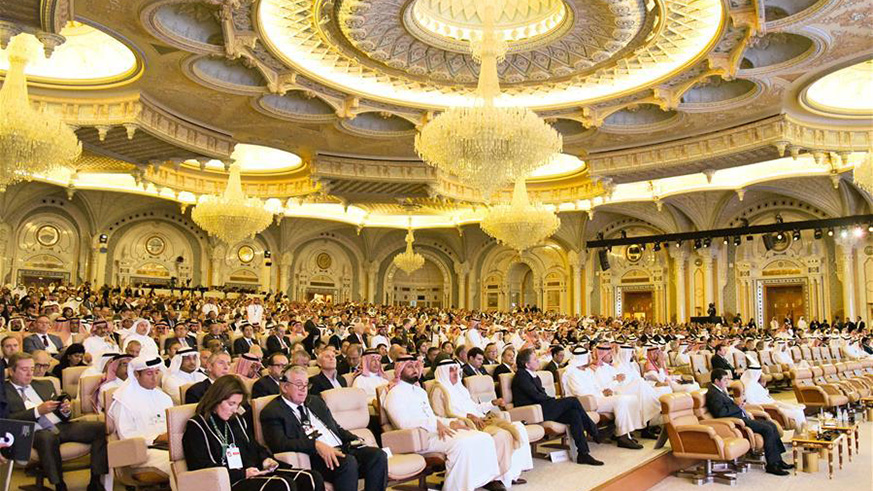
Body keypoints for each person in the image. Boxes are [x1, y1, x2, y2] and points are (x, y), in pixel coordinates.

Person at [183, 375, 324, 491]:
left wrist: (265, 459)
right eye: (231, 404)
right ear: (216, 399)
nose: (235, 410)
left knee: (310, 478)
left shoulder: (236, 420)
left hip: (250, 472)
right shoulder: (197, 425)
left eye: (238, 405)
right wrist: (242, 473)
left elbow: (254, 447)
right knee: (283, 485)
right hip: (228, 481)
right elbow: (201, 467)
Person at [383, 356, 505, 491]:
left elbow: (432, 417)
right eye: (409, 367)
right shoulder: (394, 393)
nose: (415, 370)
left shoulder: (419, 391)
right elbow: (403, 424)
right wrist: (435, 424)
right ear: (399, 370)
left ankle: (478, 482)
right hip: (418, 439)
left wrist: (451, 423)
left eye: (416, 366)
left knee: (482, 437)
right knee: (462, 444)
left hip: (434, 432)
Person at [260, 365, 388, 491]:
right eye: (299, 385)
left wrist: (355, 439)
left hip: (342, 448)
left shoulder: (315, 402)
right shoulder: (273, 411)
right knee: (348, 462)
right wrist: (315, 445)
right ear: (284, 387)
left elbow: (335, 428)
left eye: (306, 385)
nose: (304, 389)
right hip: (316, 456)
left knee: (377, 455)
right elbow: (280, 444)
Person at [5, 352, 108, 491]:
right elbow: (7, 419)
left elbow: (62, 413)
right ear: (11, 371)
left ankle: (95, 481)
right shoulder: (3, 391)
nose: (30, 374)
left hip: (58, 425)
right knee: (47, 437)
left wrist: (65, 411)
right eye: (24, 369)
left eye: (32, 369)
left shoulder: (45, 384)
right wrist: (37, 411)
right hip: (30, 430)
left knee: (100, 428)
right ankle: (59, 485)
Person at [433, 359, 532, 486]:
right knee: (502, 435)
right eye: (451, 370)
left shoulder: (460, 388)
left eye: (456, 369)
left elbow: (475, 408)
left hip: (481, 420)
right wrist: (467, 416)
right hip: (467, 425)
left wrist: (492, 403)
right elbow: (441, 416)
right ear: (443, 372)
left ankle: (511, 474)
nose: (455, 373)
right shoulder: (438, 390)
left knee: (518, 428)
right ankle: (494, 478)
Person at [512, 348, 603, 466]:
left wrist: (553, 401)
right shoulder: (521, 376)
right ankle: (594, 431)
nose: (538, 360)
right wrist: (554, 401)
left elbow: (542, 394)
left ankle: (583, 453)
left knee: (574, 414)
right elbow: (535, 396)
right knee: (572, 401)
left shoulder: (534, 375)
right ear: (527, 364)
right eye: (534, 359)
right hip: (532, 412)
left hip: (542, 408)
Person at [707, 368, 792, 476]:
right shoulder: (713, 394)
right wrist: (737, 405)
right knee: (767, 429)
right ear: (716, 381)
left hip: (741, 417)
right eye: (724, 380)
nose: (727, 382)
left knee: (771, 424)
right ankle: (772, 465)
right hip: (737, 422)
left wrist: (739, 405)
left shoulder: (720, 390)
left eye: (727, 379)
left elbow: (727, 407)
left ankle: (778, 460)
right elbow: (720, 413)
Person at [561, 347, 643, 449]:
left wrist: (604, 391)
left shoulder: (587, 371)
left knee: (631, 398)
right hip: (586, 402)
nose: (590, 358)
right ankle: (623, 437)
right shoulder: (572, 373)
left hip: (597, 398)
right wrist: (601, 393)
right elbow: (581, 392)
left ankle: (626, 433)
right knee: (621, 401)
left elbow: (596, 386)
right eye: (588, 356)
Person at [107, 356, 174, 478]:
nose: (154, 378)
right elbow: (127, 436)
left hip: (168, 446)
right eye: (149, 373)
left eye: (157, 372)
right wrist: (156, 438)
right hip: (142, 452)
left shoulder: (165, 398)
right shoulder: (123, 400)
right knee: (176, 463)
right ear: (136, 375)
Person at [739, 362, 807, 431]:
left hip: (773, 406)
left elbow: (768, 398)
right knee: (798, 413)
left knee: (798, 409)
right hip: (770, 410)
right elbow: (753, 404)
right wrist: (774, 405)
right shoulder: (748, 387)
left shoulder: (755, 384)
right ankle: (802, 434)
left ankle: (801, 434)